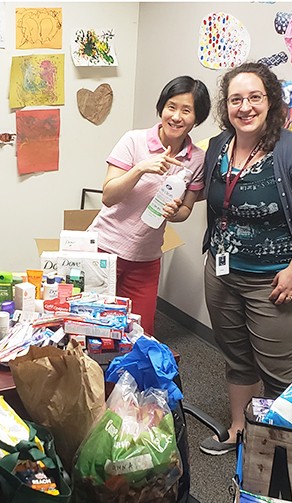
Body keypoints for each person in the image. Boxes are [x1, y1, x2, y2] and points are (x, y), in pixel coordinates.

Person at [198, 62, 292, 455]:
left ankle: (275, 446)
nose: (245, 107)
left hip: (276, 280)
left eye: (254, 97)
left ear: (271, 101)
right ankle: (239, 428)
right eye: (236, 99)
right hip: (222, 273)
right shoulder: (218, 147)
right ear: (227, 106)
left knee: (275, 371)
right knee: (236, 356)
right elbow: (212, 199)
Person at [88, 76, 211, 336]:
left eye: (186, 110)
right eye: (171, 106)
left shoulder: (197, 160)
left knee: (139, 335)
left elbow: (185, 211)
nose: (177, 116)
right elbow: (108, 196)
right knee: (93, 330)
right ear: (161, 108)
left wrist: (174, 212)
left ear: (196, 118)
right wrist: (141, 168)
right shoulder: (134, 141)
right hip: (103, 250)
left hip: (146, 258)